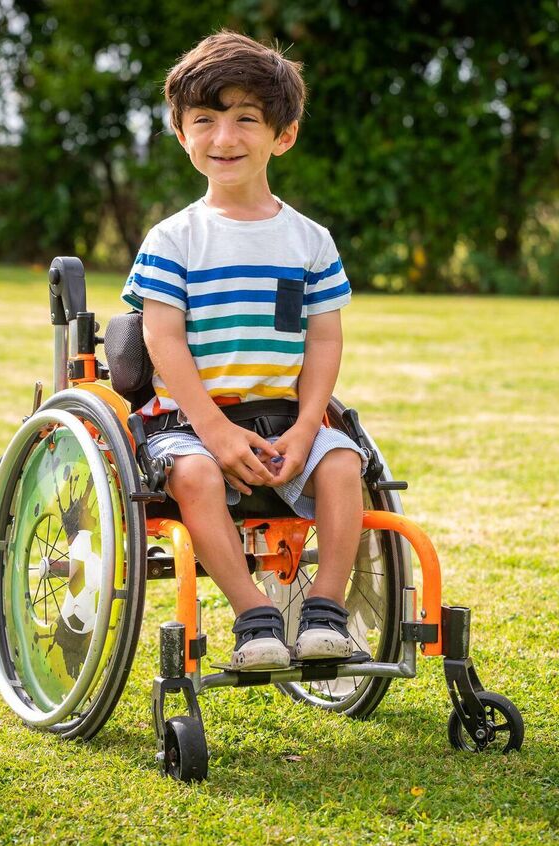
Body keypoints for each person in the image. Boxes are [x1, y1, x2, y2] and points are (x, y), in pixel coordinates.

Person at [120, 31, 367, 671]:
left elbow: (324, 337)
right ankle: (255, 614)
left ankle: (325, 614)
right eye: (205, 120)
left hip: (287, 417)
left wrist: (310, 424)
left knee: (343, 465)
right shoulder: (173, 239)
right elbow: (161, 336)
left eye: (245, 120)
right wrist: (217, 431)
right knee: (197, 474)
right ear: (182, 133)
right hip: (191, 422)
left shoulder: (310, 241)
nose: (224, 138)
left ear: (281, 135)